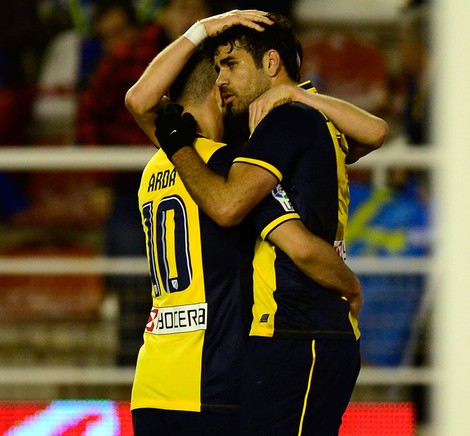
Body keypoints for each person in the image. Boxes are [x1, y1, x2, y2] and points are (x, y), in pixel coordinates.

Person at [125, 10, 384, 434]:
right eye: (221, 70)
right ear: (213, 91)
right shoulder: (225, 167)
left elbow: (139, 101)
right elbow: (277, 231)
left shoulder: (165, 161)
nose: (225, 81)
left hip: (154, 380)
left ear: (270, 64)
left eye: (232, 66)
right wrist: (351, 286)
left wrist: (203, 29)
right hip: (214, 378)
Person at [76, 0, 215, 366]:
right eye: (180, 9)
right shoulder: (131, 55)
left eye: (195, 10)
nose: (187, 18)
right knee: (132, 282)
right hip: (130, 185)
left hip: (197, 178)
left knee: (199, 281)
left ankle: (193, 364)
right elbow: (90, 111)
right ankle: (128, 371)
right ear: (165, 13)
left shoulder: (219, 56)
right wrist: (103, 176)